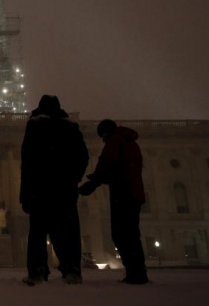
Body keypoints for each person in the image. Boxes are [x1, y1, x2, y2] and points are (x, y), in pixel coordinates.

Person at [20, 95, 88, 285]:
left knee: (38, 233)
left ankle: (37, 272)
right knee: (67, 232)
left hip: (40, 188)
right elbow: (83, 157)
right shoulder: (70, 127)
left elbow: (27, 163)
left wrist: (25, 195)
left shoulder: (35, 126)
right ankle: (71, 269)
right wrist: (73, 179)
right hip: (64, 188)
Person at [79, 120, 148, 284]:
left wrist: (93, 183)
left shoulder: (115, 142)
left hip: (123, 192)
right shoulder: (131, 144)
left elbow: (107, 164)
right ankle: (139, 272)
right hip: (135, 193)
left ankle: (134, 273)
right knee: (132, 234)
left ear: (104, 132)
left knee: (121, 234)